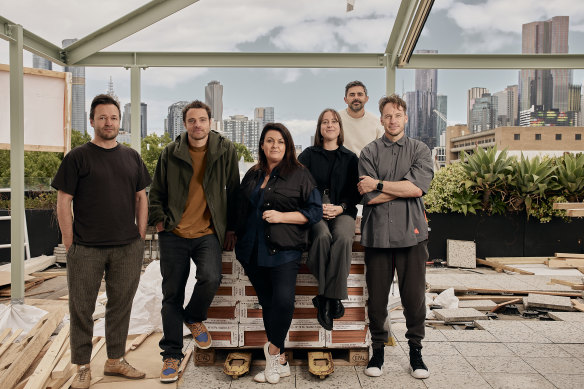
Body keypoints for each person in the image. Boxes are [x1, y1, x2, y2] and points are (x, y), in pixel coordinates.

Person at [52, 94, 150, 389]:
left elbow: (141, 197)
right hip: (86, 248)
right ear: (93, 120)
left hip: (126, 247)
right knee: (81, 308)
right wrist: (70, 243)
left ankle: (115, 360)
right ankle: (82, 366)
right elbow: (63, 201)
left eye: (114, 118)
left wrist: (140, 236)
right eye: (103, 117)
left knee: (121, 305)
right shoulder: (77, 157)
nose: (109, 123)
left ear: (120, 122)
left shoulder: (131, 156)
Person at [148, 100, 240, 383]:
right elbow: (156, 191)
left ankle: (194, 316)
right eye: (192, 120)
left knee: (211, 278)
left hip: (208, 232)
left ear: (210, 122)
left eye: (202, 119)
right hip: (174, 233)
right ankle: (171, 356)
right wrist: (160, 220)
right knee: (171, 294)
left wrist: (231, 228)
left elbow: (234, 191)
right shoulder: (170, 152)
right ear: (185, 123)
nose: (197, 125)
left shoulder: (225, 150)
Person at [235, 123, 322, 384]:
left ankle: (272, 355)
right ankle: (281, 359)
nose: (275, 146)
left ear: (288, 146)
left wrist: (282, 216)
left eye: (280, 142)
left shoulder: (300, 174)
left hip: (284, 250)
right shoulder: (252, 173)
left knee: (283, 302)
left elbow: (315, 212)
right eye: (270, 141)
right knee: (269, 303)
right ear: (262, 145)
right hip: (251, 250)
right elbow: (240, 207)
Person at [357, 94, 433, 379]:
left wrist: (378, 183)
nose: (392, 120)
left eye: (397, 115)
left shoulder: (420, 150)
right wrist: (397, 187)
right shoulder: (369, 152)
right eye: (387, 115)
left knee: (413, 298)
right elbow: (369, 196)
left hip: (412, 234)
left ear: (406, 118)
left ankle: (416, 351)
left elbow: (416, 189)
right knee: (376, 299)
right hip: (377, 235)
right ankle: (378, 349)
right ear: (381, 119)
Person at [298, 109, 360, 331]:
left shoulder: (351, 158)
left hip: (343, 210)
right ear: (320, 128)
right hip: (315, 210)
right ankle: (331, 297)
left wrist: (340, 207)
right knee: (323, 236)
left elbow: (356, 194)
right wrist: (316, 206)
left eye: (334, 121)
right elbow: (298, 186)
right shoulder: (307, 155)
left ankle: (324, 297)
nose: (330, 125)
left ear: (340, 128)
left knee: (343, 237)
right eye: (325, 122)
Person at [338, 80, 383, 156]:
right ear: (345, 100)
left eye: (360, 94)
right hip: (341, 165)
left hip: (367, 166)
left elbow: (381, 152)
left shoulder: (377, 122)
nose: (356, 98)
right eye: (352, 95)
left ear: (366, 99)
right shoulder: (335, 119)